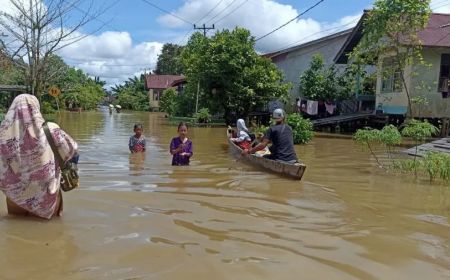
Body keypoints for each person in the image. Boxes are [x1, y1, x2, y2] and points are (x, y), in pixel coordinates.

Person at [0, 94, 78, 219]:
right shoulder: (51, 130)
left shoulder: (3, 135)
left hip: (15, 197)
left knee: (16, 232)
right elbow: (72, 152)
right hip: (46, 196)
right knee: (52, 233)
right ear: (36, 108)